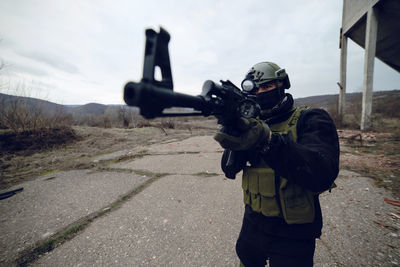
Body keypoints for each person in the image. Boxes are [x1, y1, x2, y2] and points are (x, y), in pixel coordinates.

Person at [214, 62, 340, 267]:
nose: (261, 92)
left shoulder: (311, 118)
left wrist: (268, 140)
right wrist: (234, 131)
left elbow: (322, 173)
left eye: (267, 87)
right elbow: (229, 169)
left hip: (294, 232)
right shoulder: (251, 125)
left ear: (282, 85)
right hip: (253, 223)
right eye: (256, 89)